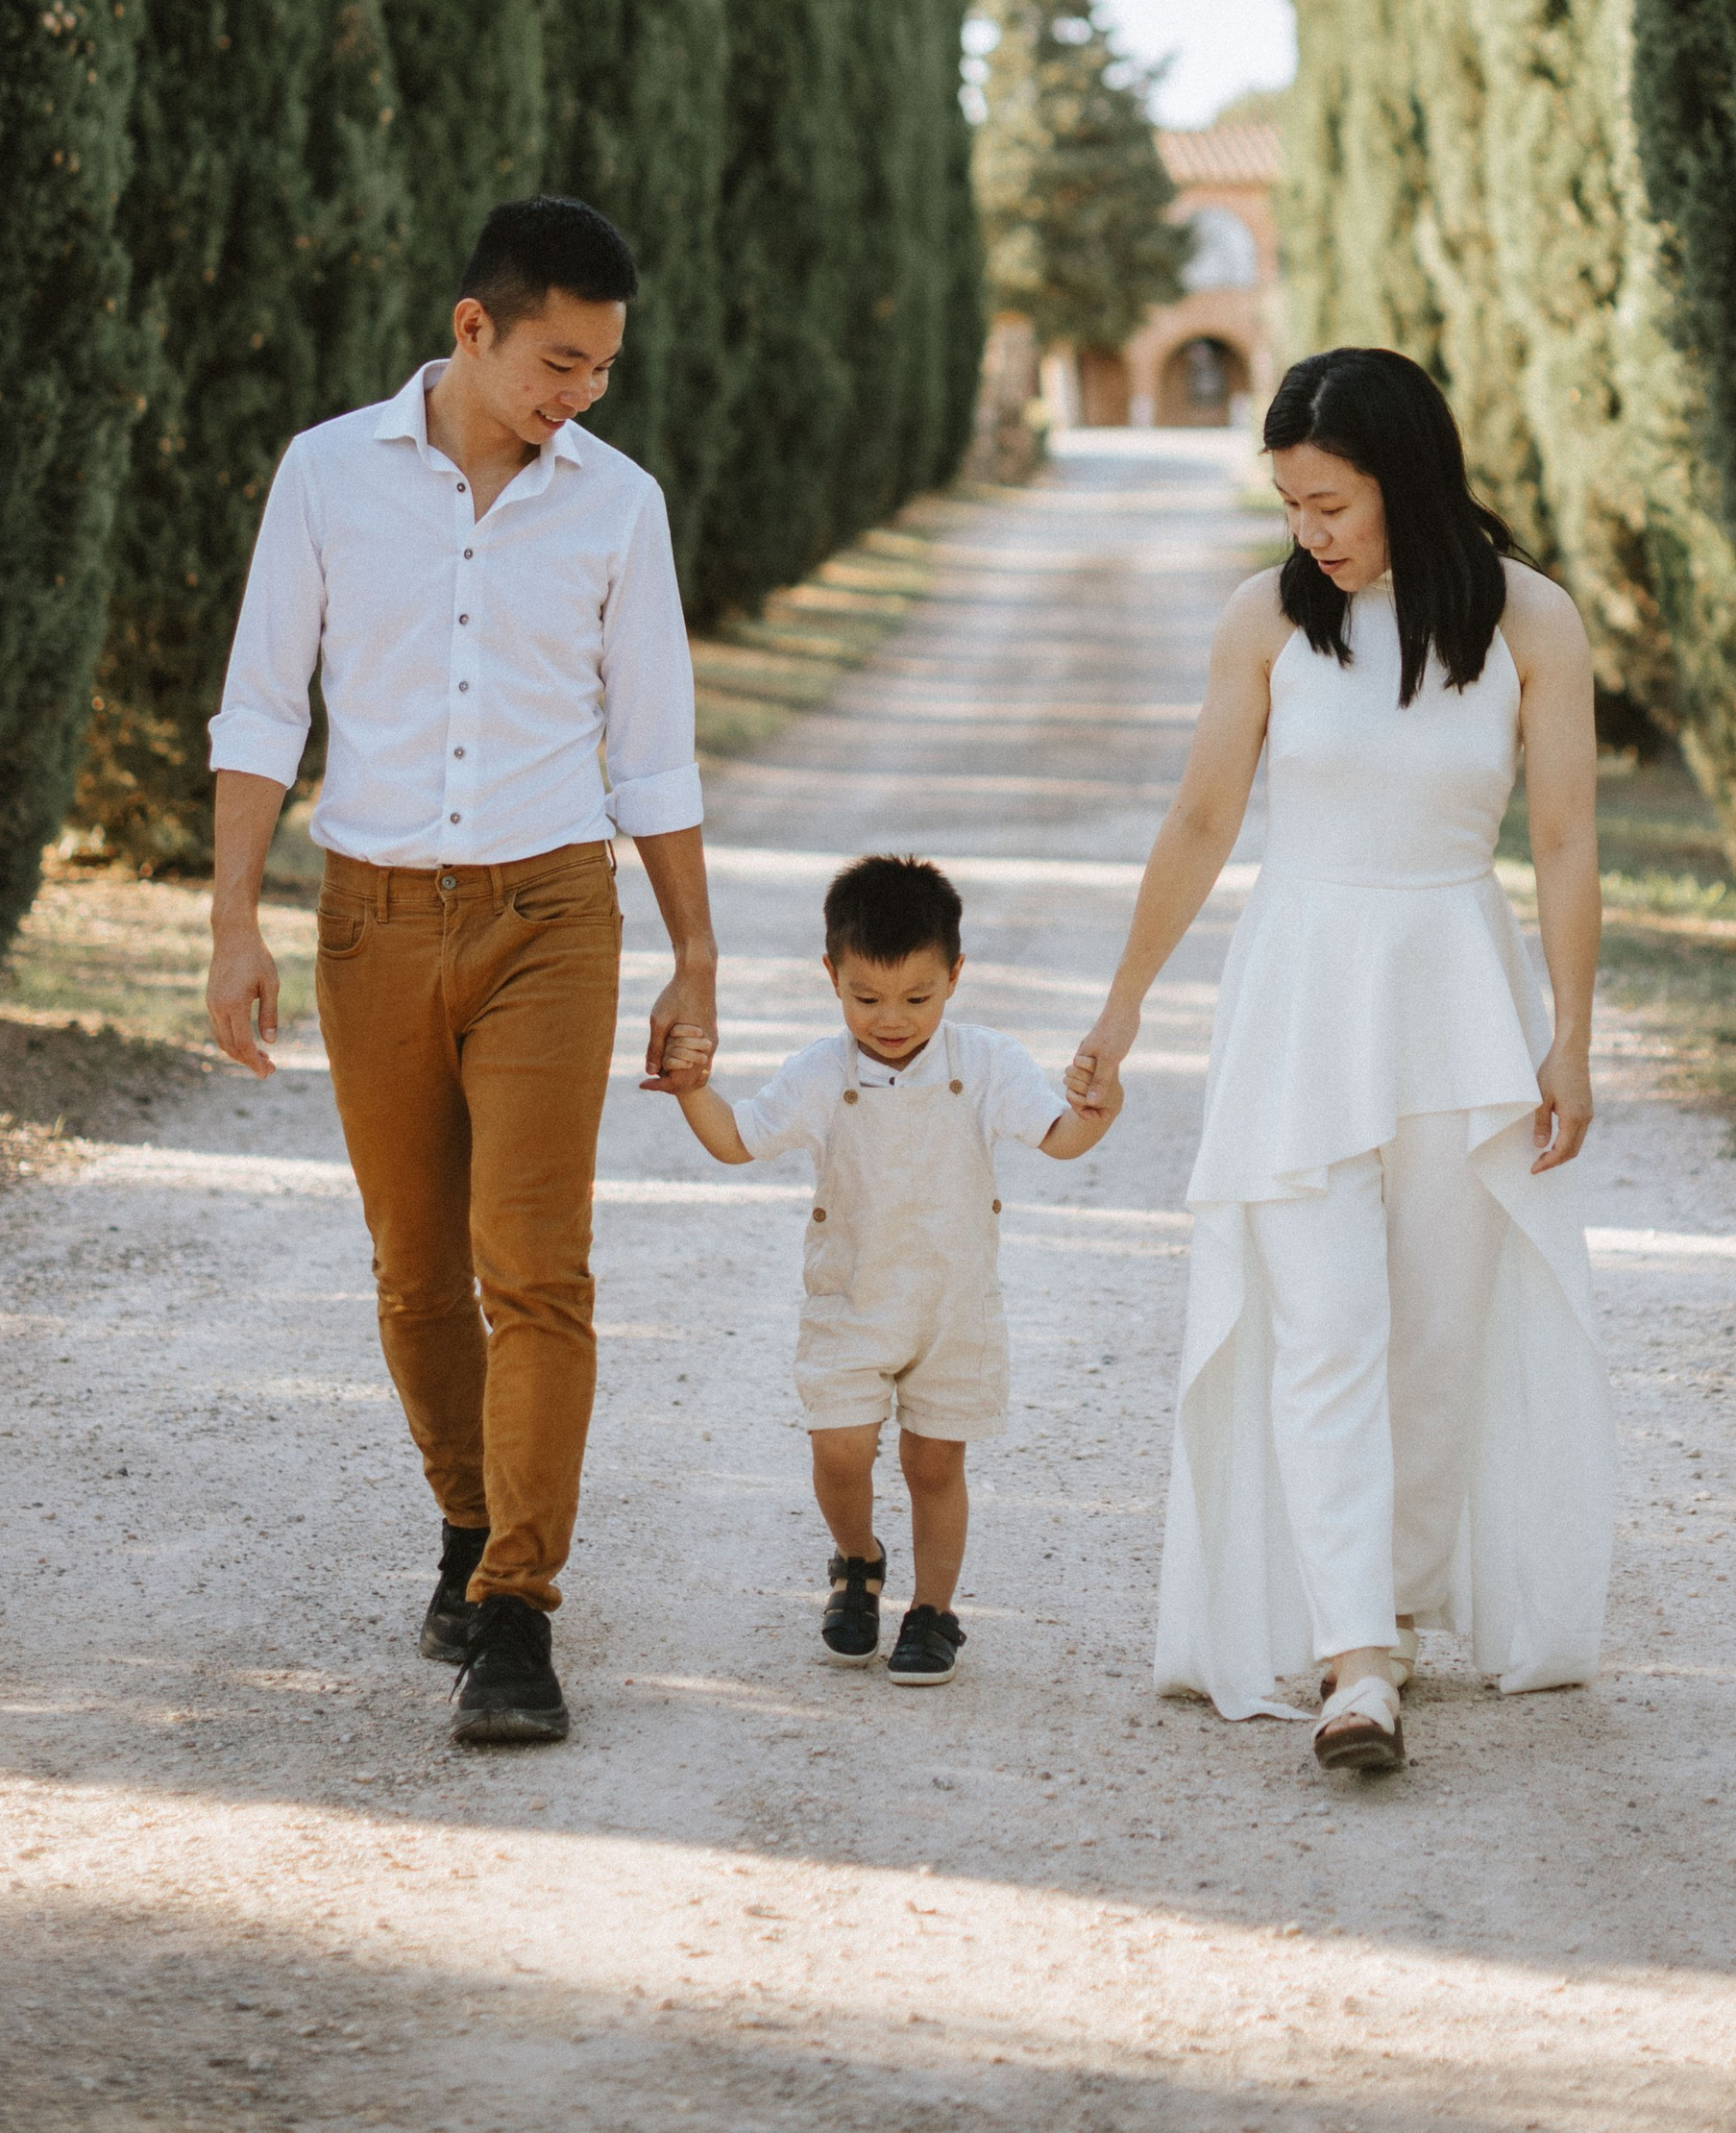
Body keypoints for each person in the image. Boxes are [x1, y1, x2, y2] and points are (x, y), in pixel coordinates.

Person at [204, 194, 717, 1751]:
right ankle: (464, 1514)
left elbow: (656, 748)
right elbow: (258, 709)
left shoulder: (618, 505)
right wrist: (232, 922)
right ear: (472, 328)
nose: (581, 392)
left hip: (555, 916)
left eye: (605, 368)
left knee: (534, 1266)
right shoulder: (326, 476)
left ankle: (516, 1610)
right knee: (417, 1273)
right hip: (368, 921)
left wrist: (695, 952)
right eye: (560, 359)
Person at [1067, 345, 1613, 1774]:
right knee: (1320, 1328)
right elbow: (1199, 821)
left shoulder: (1531, 622)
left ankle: (1402, 1610)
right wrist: (1122, 1010)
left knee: (1435, 1339)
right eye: (1292, 503)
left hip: (1456, 995)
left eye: (1332, 502)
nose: (1309, 531)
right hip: (1301, 992)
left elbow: (1564, 840)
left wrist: (1573, 1037)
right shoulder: (1265, 619)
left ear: (1405, 476)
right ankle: (1353, 1655)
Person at [657, 854, 1118, 1685]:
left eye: (917, 998)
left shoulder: (984, 1064)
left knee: (935, 1463)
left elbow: (1059, 1137)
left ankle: (934, 1612)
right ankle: (858, 1561)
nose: (892, 1020)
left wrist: (1098, 1110)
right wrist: (694, 1087)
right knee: (839, 1449)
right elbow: (736, 1140)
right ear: (831, 976)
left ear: (955, 977)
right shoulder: (820, 1073)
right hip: (850, 1301)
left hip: (953, 1307)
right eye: (866, 1000)